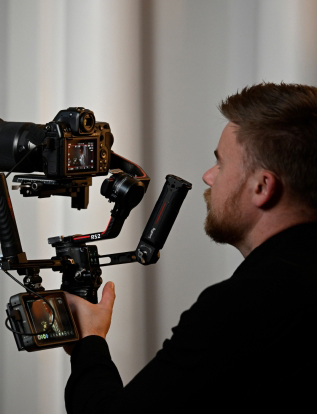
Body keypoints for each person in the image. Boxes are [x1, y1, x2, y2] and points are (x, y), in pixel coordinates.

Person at [63, 82, 317, 412]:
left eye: (221, 164)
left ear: (262, 187)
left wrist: (89, 341)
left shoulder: (242, 307)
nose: (209, 176)